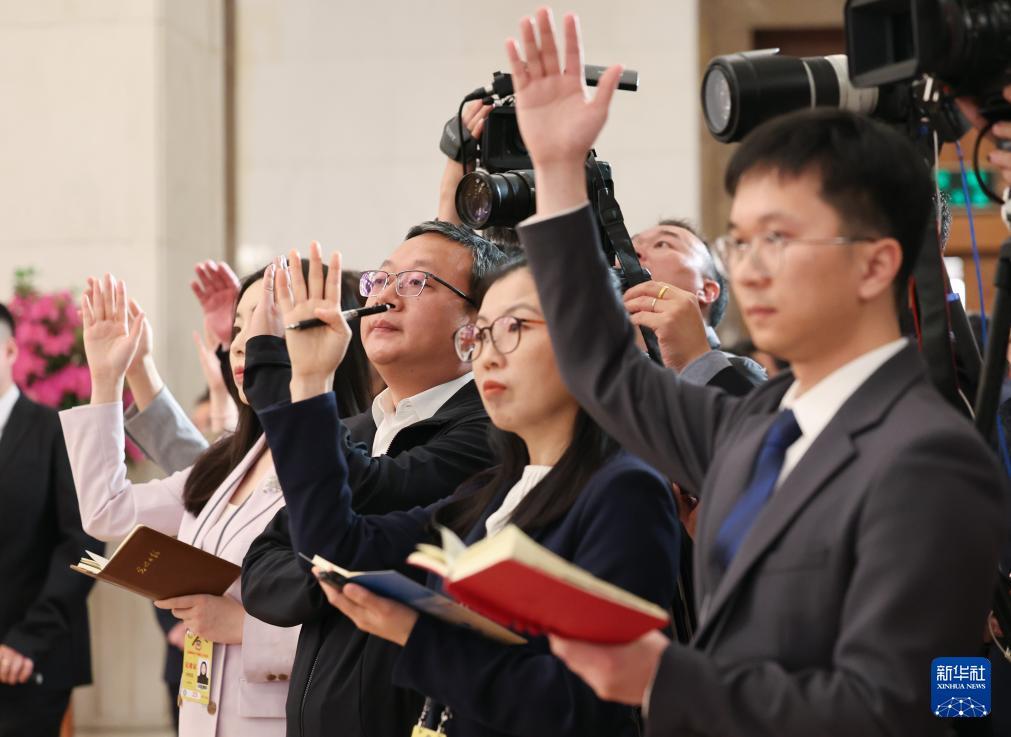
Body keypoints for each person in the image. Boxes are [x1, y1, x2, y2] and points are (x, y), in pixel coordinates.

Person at [498, 9, 1006, 736]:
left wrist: (662, 677)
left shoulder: (928, 455)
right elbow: (601, 366)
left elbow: (892, 709)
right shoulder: (759, 423)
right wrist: (556, 171)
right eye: (738, 241)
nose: (750, 269)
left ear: (876, 264)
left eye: (779, 238)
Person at [252, 247, 680, 737]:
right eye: (483, 334)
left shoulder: (624, 491)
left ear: (586, 340)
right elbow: (336, 547)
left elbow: (583, 707)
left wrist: (418, 635)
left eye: (515, 328)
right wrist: (310, 380)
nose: (490, 355)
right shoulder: (495, 491)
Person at [238, 222, 507, 737]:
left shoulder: (490, 430)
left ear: (477, 324)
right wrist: (340, 571)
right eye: (380, 280)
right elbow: (262, 569)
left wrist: (300, 380)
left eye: (416, 282)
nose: (385, 297)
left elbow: (369, 497)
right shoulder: (353, 430)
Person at [59, 261, 319, 737]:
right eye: (238, 328)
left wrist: (245, 627)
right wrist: (108, 378)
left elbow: (364, 634)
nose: (239, 343)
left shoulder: (343, 463)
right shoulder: (231, 461)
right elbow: (105, 512)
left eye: (264, 321)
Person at [0, 303, 101, 737]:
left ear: (9, 351)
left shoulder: (57, 431)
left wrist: (28, 640)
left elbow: (87, 547)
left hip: (32, 657)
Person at [627, 218, 766, 386]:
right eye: (630, 244)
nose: (632, 252)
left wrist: (698, 364)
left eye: (662, 244)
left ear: (707, 290)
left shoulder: (737, 373)